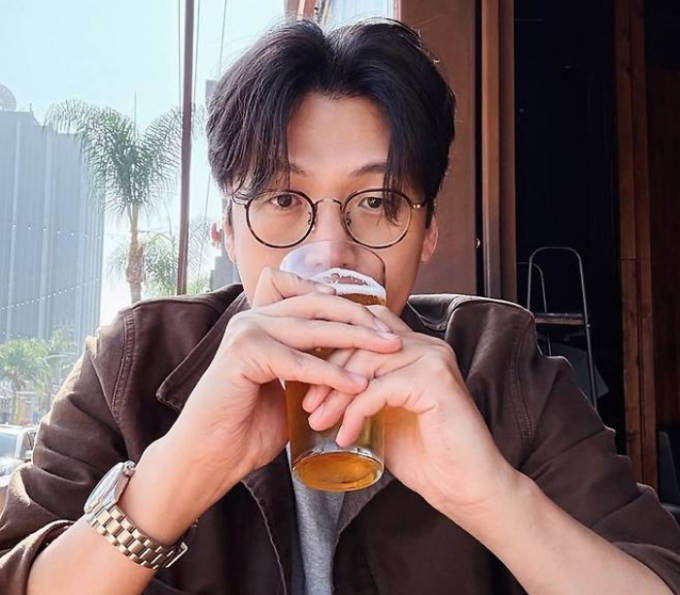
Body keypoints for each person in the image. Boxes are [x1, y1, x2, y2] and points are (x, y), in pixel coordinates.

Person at [1, 18, 680, 595]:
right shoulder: (130, 362)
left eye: (377, 202)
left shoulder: (501, 363)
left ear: (428, 232)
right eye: (283, 199)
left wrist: (489, 494)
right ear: (228, 231)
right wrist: (179, 473)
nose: (330, 253)